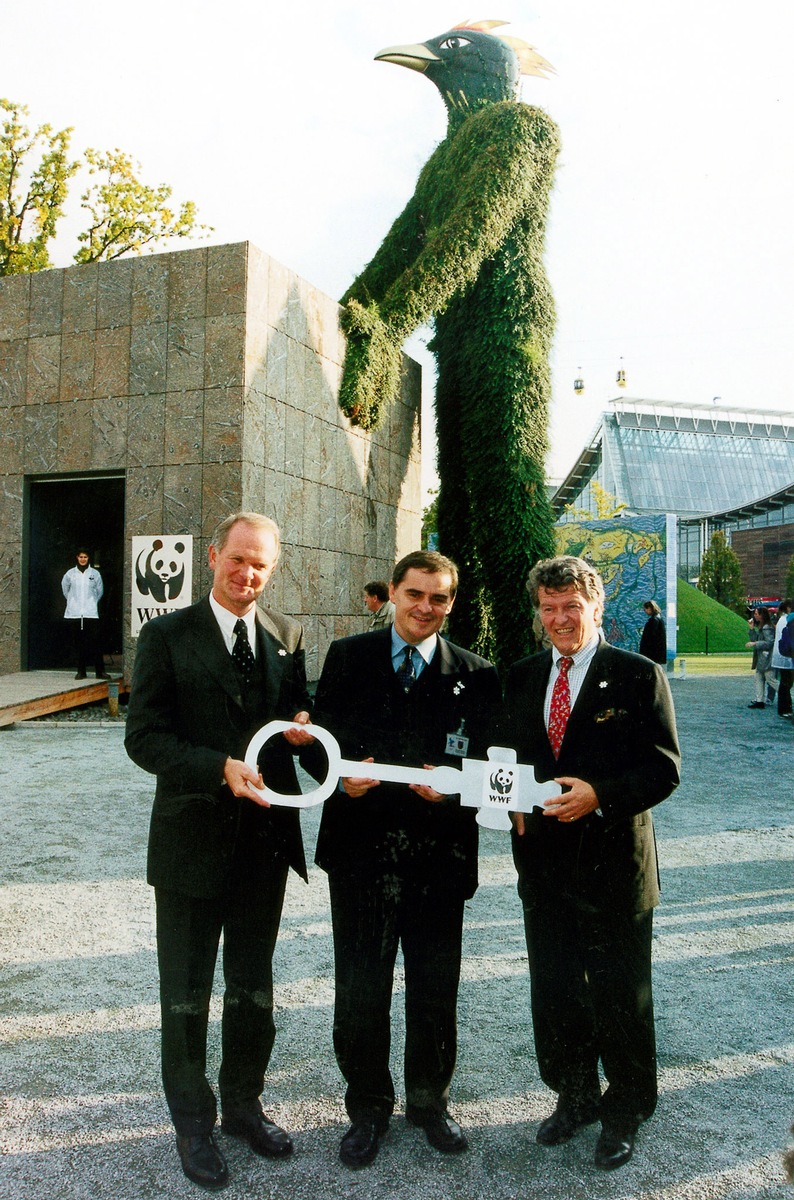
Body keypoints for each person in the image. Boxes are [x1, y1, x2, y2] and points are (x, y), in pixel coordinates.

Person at [125, 513, 314, 1191]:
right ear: (213, 558)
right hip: (189, 846)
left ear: (273, 568)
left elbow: (289, 723)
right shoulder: (166, 635)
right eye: (237, 561)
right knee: (186, 993)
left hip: (263, 848)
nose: (247, 576)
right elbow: (144, 739)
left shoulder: (287, 637)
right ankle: (193, 1124)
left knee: (252, 987)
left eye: (260, 566)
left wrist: (299, 734)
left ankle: (242, 1105)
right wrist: (217, 766)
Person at [313, 550, 501, 1168]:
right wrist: (340, 779)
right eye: (415, 594)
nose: (426, 608)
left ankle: (428, 1102)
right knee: (360, 988)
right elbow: (319, 746)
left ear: (452, 603)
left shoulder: (478, 674)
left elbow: (490, 771)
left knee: (434, 989)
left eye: (439, 598)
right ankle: (367, 1107)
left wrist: (455, 784)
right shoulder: (347, 657)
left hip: (438, 858)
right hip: (362, 855)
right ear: (392, 593)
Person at [502, 555, 680, 1171]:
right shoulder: (520, 677)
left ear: (596, 609)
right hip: (544, 869)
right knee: (554, 992)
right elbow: (506, 763)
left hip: (614, 866)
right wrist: (506, 804)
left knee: (619, 995)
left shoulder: (637, 675)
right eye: (548, 608)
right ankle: (573, 1097)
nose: (559, 619)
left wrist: (600, 794)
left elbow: (664, 767)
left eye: (571, 607)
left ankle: (625, 1109)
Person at [61, 548, 108, 679]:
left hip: (90, 613)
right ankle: (81, 671)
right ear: (77, 558)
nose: (83, 559)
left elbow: (99, 591)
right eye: (81, 557)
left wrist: (90, 603)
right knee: (79, 643)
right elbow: (65, 590)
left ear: (88, 559)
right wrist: (74, 602)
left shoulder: (95, 574)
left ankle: (100, 672)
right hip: (75, 614)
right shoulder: (70, 574)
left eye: (85, 557)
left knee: (95, 642)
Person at [746, 606, 776, 709]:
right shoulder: (762, 626)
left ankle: (785, 694)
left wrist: (755, 643)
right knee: (759, 678)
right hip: (762, 658)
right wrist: (751, 628)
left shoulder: (766, 627)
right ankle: (759, 700)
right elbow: (756, 639)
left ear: (761, 615)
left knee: (770, 679)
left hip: (766, 657)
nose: (754, 615)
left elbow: (769, 642)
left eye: (756, 614)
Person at [771, 600, 793, 718]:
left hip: (782, 654)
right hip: (785, 655)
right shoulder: (786, 620)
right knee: (786, 683)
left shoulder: (782, 619)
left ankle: (785, 707)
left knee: (785, 683)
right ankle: (785, 708)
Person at [638, 599, 667, 665]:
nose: (645, 611)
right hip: (657, 652)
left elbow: (650, 637)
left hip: (652, 652)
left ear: (649, 608)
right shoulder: (658, 619)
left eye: (645, 609)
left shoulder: (654, 621)